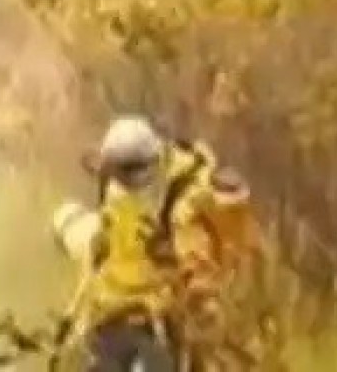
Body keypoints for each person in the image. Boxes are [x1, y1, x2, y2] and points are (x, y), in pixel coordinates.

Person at [51, 116, 257, 370]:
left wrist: (195, 299)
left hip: (161, 315)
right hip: (115, 309)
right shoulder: (124, 195)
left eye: (126, 172)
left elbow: (195, 263)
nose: (122, 180)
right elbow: (106, 244)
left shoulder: (183, 202)